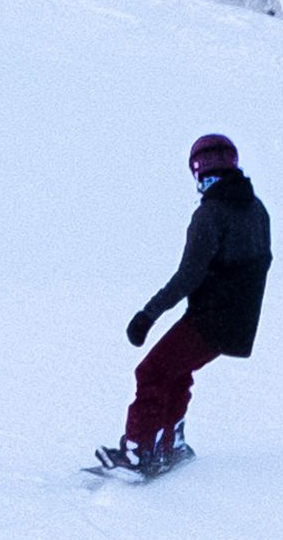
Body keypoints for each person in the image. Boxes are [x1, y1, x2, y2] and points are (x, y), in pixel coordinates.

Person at [97, 133, 271, 475]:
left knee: (151, 372)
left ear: (198, 171)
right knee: (175, 370)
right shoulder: (256, 208)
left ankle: (136, 454)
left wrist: (147, 315)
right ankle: (169, 444)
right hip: (237, 321)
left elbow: (187, 276)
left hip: (211, 319)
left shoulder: (211, 214)